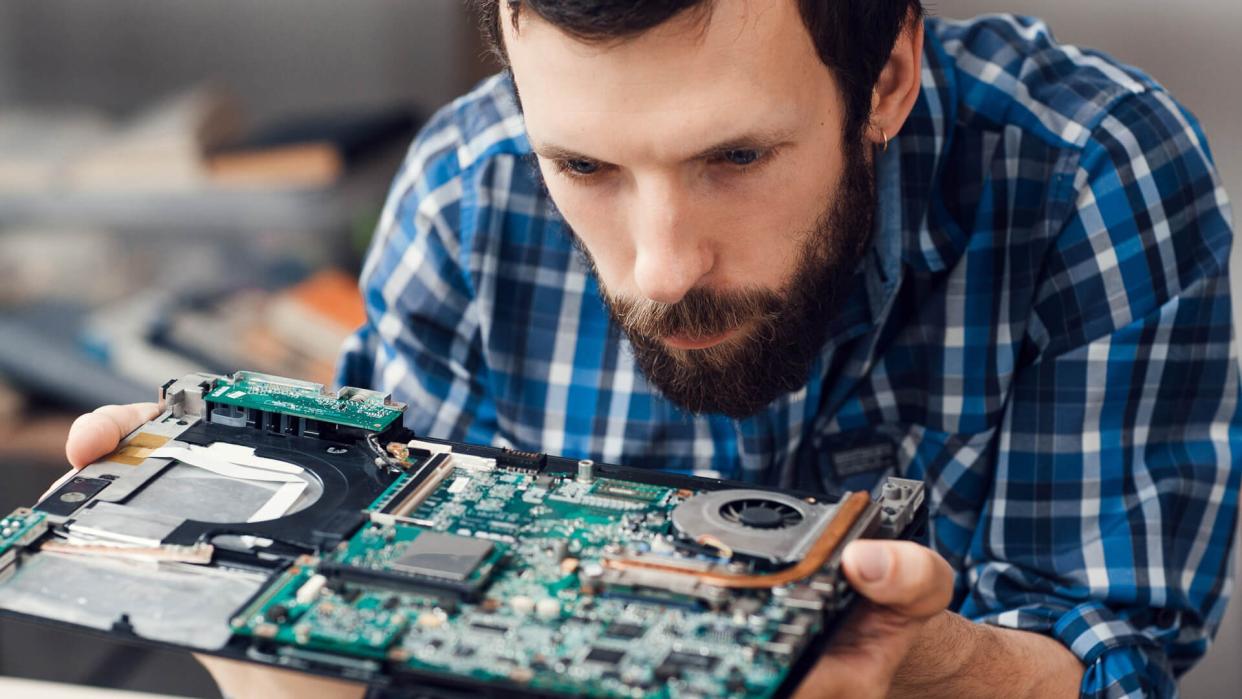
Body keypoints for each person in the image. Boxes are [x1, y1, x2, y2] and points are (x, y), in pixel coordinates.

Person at [62, 1, 1240, 697]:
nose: (661, 268)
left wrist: (932, 668)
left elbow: (1109, 658)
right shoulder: (465, 197)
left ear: (884, 79)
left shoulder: (1092, 173)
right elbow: (400, 619)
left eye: (735, 159)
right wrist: (282, 646)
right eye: (585, 167)